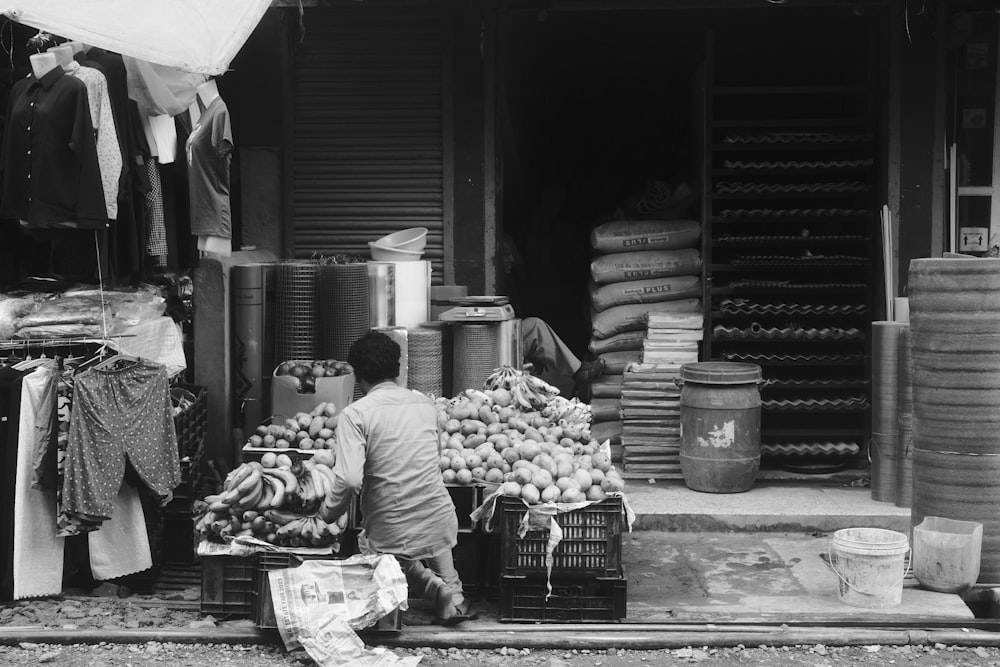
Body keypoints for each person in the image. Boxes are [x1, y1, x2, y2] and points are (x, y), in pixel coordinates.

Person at [323, 331, 474, 625]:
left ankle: (434, 588)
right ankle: (453, 594)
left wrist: (328, 512)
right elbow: (434, 460)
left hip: (390, 529)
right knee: (426, 523)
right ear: (399, 367)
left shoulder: (355, 415)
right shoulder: (425, 406)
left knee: (372, 543)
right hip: (441, 519)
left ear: (358, 377)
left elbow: (350, 480)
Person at [501, 234, 605, 399]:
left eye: (512, 254)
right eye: (506, 255)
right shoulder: (496, 283)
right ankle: (578, 374)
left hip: (509, 339)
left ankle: (572, 388)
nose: (511, 260)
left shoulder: (510, 284)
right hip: (498, 341)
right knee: (535, 326)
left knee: (546, 363)